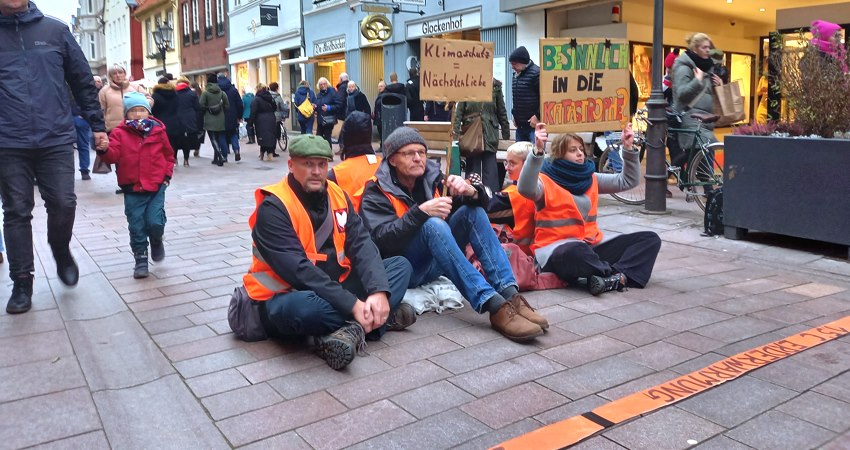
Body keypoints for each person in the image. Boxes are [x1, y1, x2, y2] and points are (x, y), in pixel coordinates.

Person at [238, 134, 415, 370]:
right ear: (291, 165)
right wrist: (353, 305)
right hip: (286, 296)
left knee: (400, 266)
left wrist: (379, 291)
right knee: (303, 309)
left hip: (335, 286)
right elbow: (299, 272)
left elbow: (363, 244)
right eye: (308, 164)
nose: (316, 171)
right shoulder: (274, 207)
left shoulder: (337, 193)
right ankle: (375, 320)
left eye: (322, 164)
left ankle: (352, 328)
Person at [359, 127, 548, 342]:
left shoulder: (432, 177)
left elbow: (483, 204)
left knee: (472, 212)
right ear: (392, 160)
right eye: (409, 153)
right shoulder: (376, 191)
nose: (418, 158)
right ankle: (492, 304)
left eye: (421, 152)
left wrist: (470, 192)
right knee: (433, 225)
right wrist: (420, 213)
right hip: (404, 269)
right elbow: (380, 239)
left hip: (437, 260)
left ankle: (510, 295)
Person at [0, 0, 108, 314]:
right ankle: (22, 282)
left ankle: (60, 248)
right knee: (16, 211)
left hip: (55, 136)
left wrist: (97, 125)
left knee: (63, 202)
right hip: (8, 140)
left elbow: (82, 80)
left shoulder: (55, 31)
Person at [518, 123, 661, 296]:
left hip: (590, 245)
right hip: (557, 251)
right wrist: (537, 152)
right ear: (559, 154)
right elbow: (525, 188)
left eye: (581, 149)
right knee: (576, 252)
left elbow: (627, 181)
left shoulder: (590, 177)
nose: (580, 153)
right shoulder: (544, 180)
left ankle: (611, 277)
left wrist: (628, 148)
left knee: (649, 239)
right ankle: (616, 274)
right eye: (572, 150)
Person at [97, 92, 174, 279]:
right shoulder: (119, 133)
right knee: (137, 224)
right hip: (132, 187)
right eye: (133, 111)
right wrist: (105, 149)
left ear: (148, 112)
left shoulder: (158, 130)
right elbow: (113, 155)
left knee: (155, 221)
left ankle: (156, 239)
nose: (138, 115)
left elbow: (168, 154)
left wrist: (166, 176)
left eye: (142, 110)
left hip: (156, 186)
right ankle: (140, 258)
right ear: (126, 114)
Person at [452, 79, 511, 193]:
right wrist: (455, 134)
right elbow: (458, 113)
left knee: (490, 168)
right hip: (472, 132)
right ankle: (472, 193)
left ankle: (492, 197)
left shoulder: (495, 87)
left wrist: (505, 130)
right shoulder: (467, 85)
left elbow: (501, 110)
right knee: (473, 166)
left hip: (489, 131)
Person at [484, 142, 536, 255]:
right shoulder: (533, 188)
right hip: (524, 253)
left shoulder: (518, 194)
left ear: (528, 165)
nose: (507, 167)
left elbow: (487, 207)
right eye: (506, 162)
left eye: (512, 164)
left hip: (514, 254)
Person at [672, 33, 722, 151]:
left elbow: (719, 56)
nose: (708, 50)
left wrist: (719, 85)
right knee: (705, 157)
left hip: (706, 121)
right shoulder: (684, 67)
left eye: (709, 48)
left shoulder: (707, 67)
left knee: (701, 160)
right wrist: (697, 81)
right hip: (691, 120)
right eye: (704, 47)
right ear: (695, 49)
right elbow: (681, 94)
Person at [327, 111, 380, 210]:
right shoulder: (385, 166)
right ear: (369, 135)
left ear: (345, 137)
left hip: (350, 223)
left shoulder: (334, 175)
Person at [509, 46, 540, 143]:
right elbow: (517, 97)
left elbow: (546, 99)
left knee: (535, 155)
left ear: (523, 62)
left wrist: (538, 116)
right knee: (519, 157)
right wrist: (514, 114)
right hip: (520, 127)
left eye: (514, 64)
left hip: (534, 126)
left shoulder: (537, 74)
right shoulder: (516, 75)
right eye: (511, 64)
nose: (512, 67)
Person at [198, 73, 229, 166]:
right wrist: (221, 110)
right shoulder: (222, 93)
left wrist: (207, 109)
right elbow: (227, 106)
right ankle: (216, 158)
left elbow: (201, 105)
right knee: (219, 137)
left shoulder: (205, 93)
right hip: (220, 118)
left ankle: (220, 156)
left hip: (209, 118)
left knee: (213, 138)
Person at [173, 76, 202, 167]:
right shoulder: (192, 94)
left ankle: (175, 159)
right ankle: (186, 160)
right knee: (187, 141)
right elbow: (198, 108)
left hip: (177, 119)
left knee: (175, 141)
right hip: (190, 118)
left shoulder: (173, 94)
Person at [218, 73, 244, 161]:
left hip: (220, 116)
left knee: (222, 135)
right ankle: (236, 150)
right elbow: (240, 104)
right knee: (233, 134)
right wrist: (239, 116)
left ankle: (224, 155)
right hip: (232, 116)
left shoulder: (217, 91)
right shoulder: (233, 90)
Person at [249, 83, 278, 162]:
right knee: (270, 136)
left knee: (262, 136)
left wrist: (250, 123)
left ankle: (263, 154)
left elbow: (253, 112)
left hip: (260, 120)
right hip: (271, 118)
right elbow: (275, 107)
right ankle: (270, 154)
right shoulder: (270, 97)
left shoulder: (256, 99)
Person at [71, 94, 93, 180]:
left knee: (61, 146)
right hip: (79, 117)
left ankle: (83, 170)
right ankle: (84, 170)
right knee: (83, 145)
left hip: (70, 117)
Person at [315, 77, 339, 151]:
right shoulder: (319, 95)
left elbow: (338, 106)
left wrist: (329, 107)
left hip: (329, 119)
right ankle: (321, 154)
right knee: (319, 137)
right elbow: (318, 106)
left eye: (324, 84)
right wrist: (315, 107)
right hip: (320, 119)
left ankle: (328, 155)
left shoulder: (332, 92)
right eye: (321, 84)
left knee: (327, 137)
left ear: (327, 84)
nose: (323, 85)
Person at [269, 82, 288, 157]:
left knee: (270, 133)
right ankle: (273, 149)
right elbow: (283, 107)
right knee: (277, 133)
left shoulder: (267, 95)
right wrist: (286, 105)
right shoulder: (278, 96)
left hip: (269, 117)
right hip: (277, 117)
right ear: (277, 88)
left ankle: (270, 149)